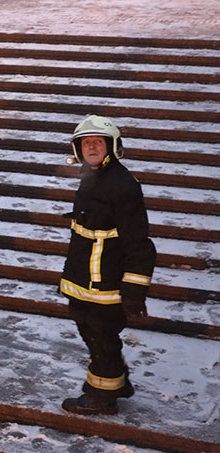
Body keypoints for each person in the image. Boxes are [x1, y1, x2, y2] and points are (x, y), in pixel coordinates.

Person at [59, 116, 156, 415]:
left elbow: (139, 242)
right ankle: (118, 381)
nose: (91, 147)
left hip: (105, 284)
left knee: (100, 336)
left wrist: (134, 290)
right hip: (84, 278)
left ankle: (101, 397)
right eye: (86, 143)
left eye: (97, 142)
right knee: (93, 333)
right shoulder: (92, 177)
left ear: (111, 147)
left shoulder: (122, 185)